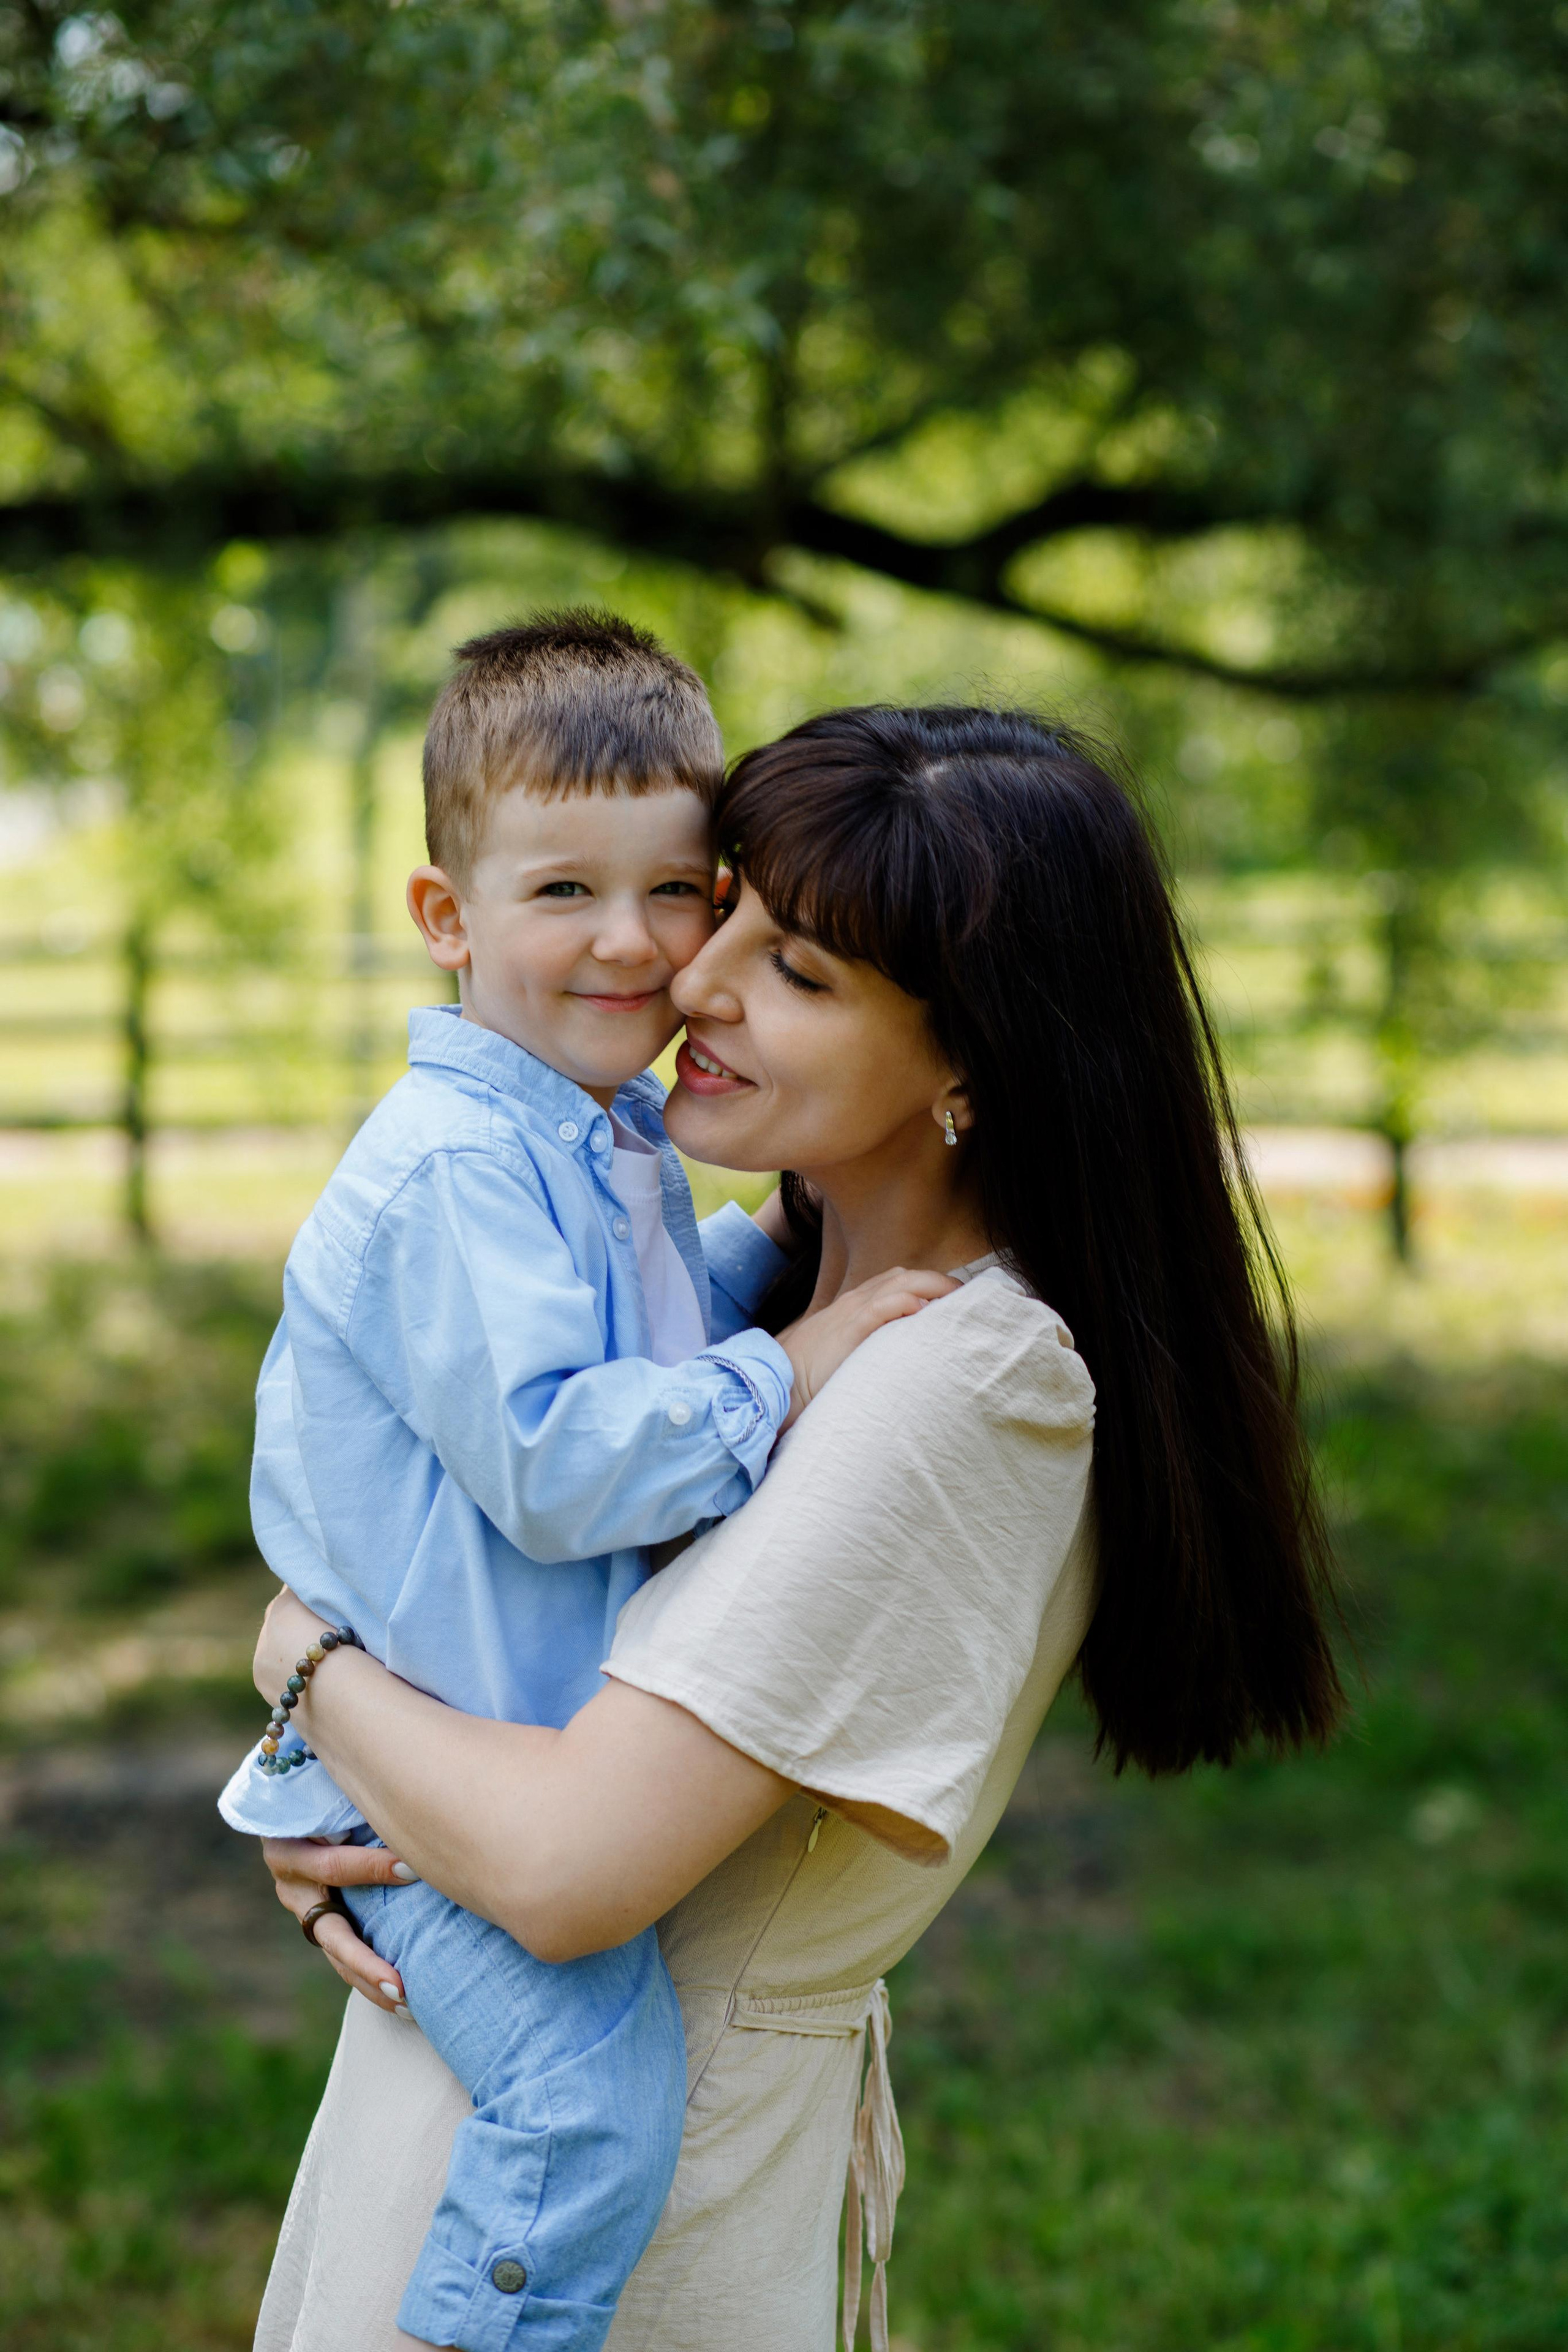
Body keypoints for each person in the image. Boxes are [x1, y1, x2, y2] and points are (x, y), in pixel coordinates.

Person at [249, 705, 1343, 2352]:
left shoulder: (962, 1381)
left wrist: (302, 1659)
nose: (693, 979)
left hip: (621, 2234)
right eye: (733, 907)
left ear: (975, 1057)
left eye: (801, 973)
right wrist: (357, 1790)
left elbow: (559, 1869)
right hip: (463, 2122)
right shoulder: (756, 1287)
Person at [217, 624, 948, 2352]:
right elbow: (557, 1462)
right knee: (584, 2105)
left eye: (678, 890)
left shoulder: (575, 1130)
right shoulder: (461, 1171)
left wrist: (776, 1254)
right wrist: (794, 1366)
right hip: (435, 1776)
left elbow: (636, 1337)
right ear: (448, 917)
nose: (631, 943)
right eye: (562, 892)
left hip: (469, 1727)